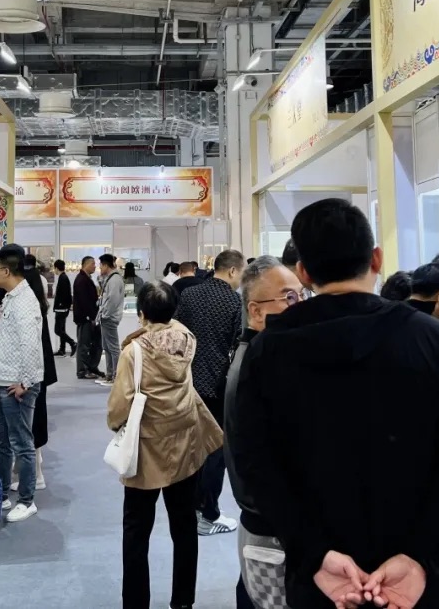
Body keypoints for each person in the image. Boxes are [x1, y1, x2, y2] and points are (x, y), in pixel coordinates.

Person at [231, 199, 439, 609]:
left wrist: (314, 551)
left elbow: (255, 464)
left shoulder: (268, 351)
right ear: (377, 259)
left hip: (325, 582)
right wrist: (419, 554)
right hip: (427, 579)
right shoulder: (434, 339)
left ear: (304, 272)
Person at [107, 282, 223, 609]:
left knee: (136, 530)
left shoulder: (134, 351)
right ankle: (183, 600)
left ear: (142, 312)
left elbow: (120, 405)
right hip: (184, 443)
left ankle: (136, 603)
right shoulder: (186, 339)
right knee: (184, 525)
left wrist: (115, 424)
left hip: (146, 449)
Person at [225, 256, 304, 609]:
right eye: (288, 298)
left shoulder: (264, 356)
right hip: (271, 529)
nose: (299, 305)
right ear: (256, 311)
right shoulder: (256, 368)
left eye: (301, 295)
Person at [175, 249, 246, 536]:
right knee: (216, 449)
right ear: (232, 271)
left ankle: (191, 506)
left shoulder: (189, 295)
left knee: (191, 446)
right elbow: (239, 344)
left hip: (187, 382)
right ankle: (208, 513)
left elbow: (177, 333)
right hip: (217, 385)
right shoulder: (234, 301)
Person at [0, 244, 45, 523]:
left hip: (16, 384)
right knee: (0, 442)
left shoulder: (24, 300)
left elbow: (30, 344)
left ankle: (26, 500)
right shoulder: (12, 297)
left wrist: (26, 382)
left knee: (21, 443)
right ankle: (0, 495)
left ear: (6, 271)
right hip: (2, 379)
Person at [23, 259, 57, 492]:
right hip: (39, 371)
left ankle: (34, 476)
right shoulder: (39, 305)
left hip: (29, 374)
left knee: (28, 423)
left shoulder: (27, 310)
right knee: (35, 419)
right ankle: (35, 471)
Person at [74, 255, 104, 380]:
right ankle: (82, 370)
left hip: (91, 318)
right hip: (85, 319)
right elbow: (84, 302)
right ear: (85, 264)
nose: (95, 266)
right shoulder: (81, 280)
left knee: (97, 343)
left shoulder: (87, 279)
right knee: (84, 345)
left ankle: (92, 367)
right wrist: (90, 317)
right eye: (92, 264)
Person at [97, 253, 126, 385]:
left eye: (100, 265)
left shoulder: (114, 279)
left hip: (109, 318)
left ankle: (116, 376)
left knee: (113, 348)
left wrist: (105, 314)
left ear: (105, 265)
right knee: (107, 347)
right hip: (106, 317)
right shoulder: (111, 278)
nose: (99, 268)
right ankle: (110, 375)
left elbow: (113, 300)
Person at [52, 259, 76, 356]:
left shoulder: (63, 278)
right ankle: (62, 349)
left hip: (61, 308)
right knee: (61, 329)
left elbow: (66, 294)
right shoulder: (63, 277)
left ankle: (72, 343)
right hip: (62, 308)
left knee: (57, 330)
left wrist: (62, 305)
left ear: (56, 268)